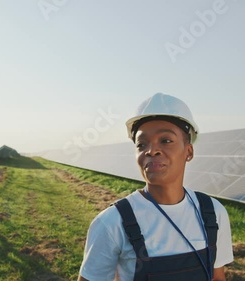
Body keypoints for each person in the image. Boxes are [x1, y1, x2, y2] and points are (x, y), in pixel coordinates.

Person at [78, 93, 233, 281]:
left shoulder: (213, 213)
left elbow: (217, 278)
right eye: (141, 144)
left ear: (189, 151)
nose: (151, 150)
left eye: (165, 140)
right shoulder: (112, 222)